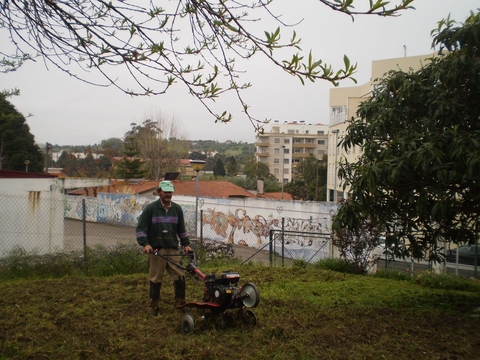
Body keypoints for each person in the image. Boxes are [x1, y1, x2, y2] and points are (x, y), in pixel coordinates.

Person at [136, 180, 192, 316]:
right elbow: (141, 229)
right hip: (156, 249)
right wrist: (145, 244)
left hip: (172, 248)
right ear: (159, 192)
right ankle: (153, 306)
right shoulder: (151, 209)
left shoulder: (177, 209)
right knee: (155, 278)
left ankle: (180, 303)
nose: (168, 194)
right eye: (166, 192)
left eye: (170, 192)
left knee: (180, 276)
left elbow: (181, 230)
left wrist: (186, 244)